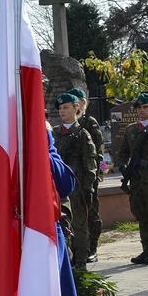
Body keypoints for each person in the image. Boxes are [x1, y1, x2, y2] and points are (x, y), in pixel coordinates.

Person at [116, 93, 148, 264]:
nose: (142, 110)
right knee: (142, 216)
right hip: (137, 181)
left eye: (145, 106)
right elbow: (123, 151)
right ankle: (146, 249)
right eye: (139, 107)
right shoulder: (131, 130)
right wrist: (123, 166)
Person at [52, 92, 97, 267]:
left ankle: (80, 264)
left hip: (77, 189)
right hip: (59, 189)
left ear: (76, 108)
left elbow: (90, 163)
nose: (62, 111)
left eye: (66, 107)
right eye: (60, 108)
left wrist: (88, 188)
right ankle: (66, 264)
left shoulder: (82, 134)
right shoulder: (54, 133)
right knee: (63, 226)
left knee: (79, 227)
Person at [67, 87, 105, 263]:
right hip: (75, 177)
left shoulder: (90, 123)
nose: (80, 103)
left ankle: (93, 247)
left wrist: (100, 173)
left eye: (81, 100)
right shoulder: (68, 124)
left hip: (91, 174)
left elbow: (100, 151)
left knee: (92, 212)